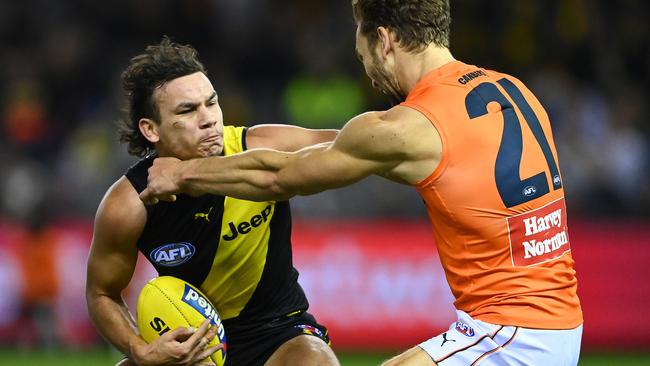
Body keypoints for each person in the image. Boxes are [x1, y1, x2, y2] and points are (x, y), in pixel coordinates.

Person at [140, 1, 584, 365]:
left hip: (512, 334)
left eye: (363, 55)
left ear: (385, 40)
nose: (368, 72)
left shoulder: (410, 125)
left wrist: (182, 173)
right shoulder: (512, 89)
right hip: (555, 320)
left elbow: (278, 175)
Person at [85, 37, 340, 366]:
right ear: (151, 129)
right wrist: (141, 350)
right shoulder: (129, 203)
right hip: (190, 344)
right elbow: (101, 293)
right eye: (188, 110)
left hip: (279, 332)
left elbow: (352, 148)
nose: (209, 119)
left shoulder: (259, 146)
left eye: (211, 102)